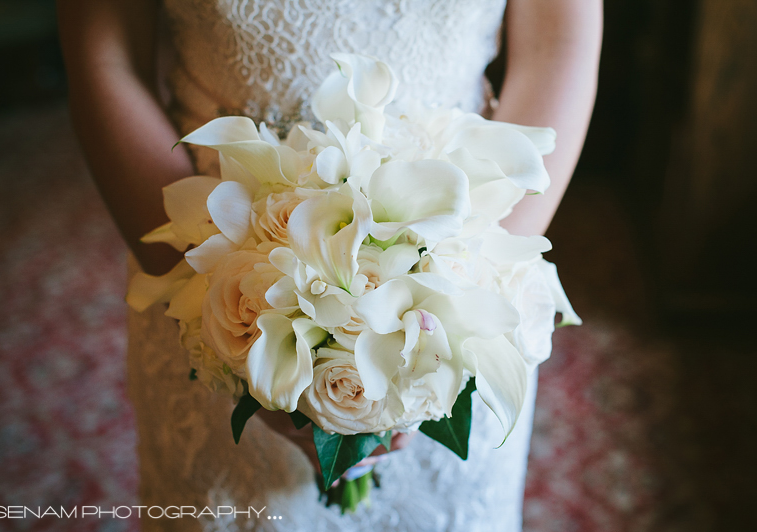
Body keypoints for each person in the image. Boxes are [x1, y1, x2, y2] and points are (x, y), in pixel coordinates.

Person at [57, 1, 602, 530]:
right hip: (220, 275)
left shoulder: (463, 290)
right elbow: (107, 61)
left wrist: (463, 287)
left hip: (458, 275)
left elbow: (559, 46)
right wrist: (241, 348)